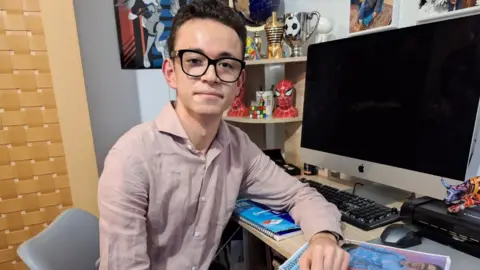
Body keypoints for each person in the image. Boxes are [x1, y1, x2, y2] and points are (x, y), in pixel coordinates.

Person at [97, 0, 348, 269]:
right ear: (171, 72)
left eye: (226, 64)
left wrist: (323, 238)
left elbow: (299, 195)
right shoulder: (131, 158)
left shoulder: (238, 147)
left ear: (239, 82)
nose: (211, 75)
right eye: (194, 61)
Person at [344, 243, 444, 270]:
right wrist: (358, 244)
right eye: (426, 266)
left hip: (349, 259)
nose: (422, 267)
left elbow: (369, 267)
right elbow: (379, 250)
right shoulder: (400, 256)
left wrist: (350, 264)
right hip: (353, 248)